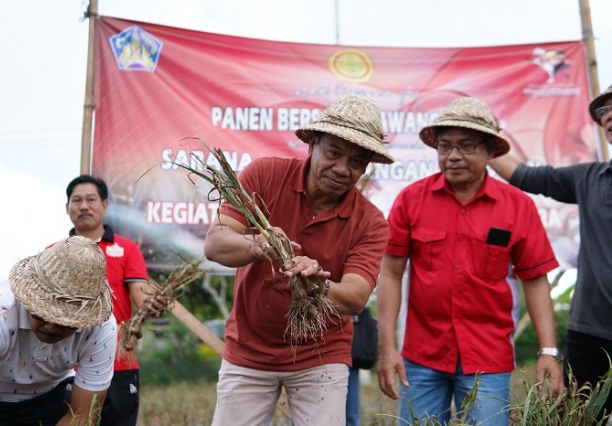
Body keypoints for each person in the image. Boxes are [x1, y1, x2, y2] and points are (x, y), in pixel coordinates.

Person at [204, 93, 395, 426]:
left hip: (321, 355)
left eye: (356, 162)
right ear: (312, 144)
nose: (342, 169)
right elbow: (216, 243)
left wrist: (319, 286)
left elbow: (355, 297)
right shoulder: (265, 175)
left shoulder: (371, 221)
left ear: (365, 167)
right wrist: (258, 244)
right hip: (248, 349)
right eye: (333, 153)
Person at [376, 97, 564, 425]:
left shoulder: (517, 207)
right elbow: (391, 273)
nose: (453, 156)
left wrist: (548, 351)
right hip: (421, 358)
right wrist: (387, 348)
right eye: (445, 147)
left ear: (491, 151)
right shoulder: (411, 199)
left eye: (466, 146)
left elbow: (534, 278)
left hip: (488, 360)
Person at [488, 84, 612, 419]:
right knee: (579, 418)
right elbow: (526, 176)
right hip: (591, 335)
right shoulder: (590, 179)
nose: (609, 116)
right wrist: (486, 138)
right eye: (603, 111)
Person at [0, 235, 117, 426]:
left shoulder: (100, 328)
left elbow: (81, 416)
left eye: (67, 322)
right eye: (42, 315)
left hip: (49, 397)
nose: (51, 328)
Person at [65, 175, 165, 426]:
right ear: (67, 208)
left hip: (119, 363)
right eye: (76, 200)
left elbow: (142, 298)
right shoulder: (54, 253)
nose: (84, 206)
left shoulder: (127, 248)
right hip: (67, 367)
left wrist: (153, 304)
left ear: (105, 205)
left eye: (91, 199)